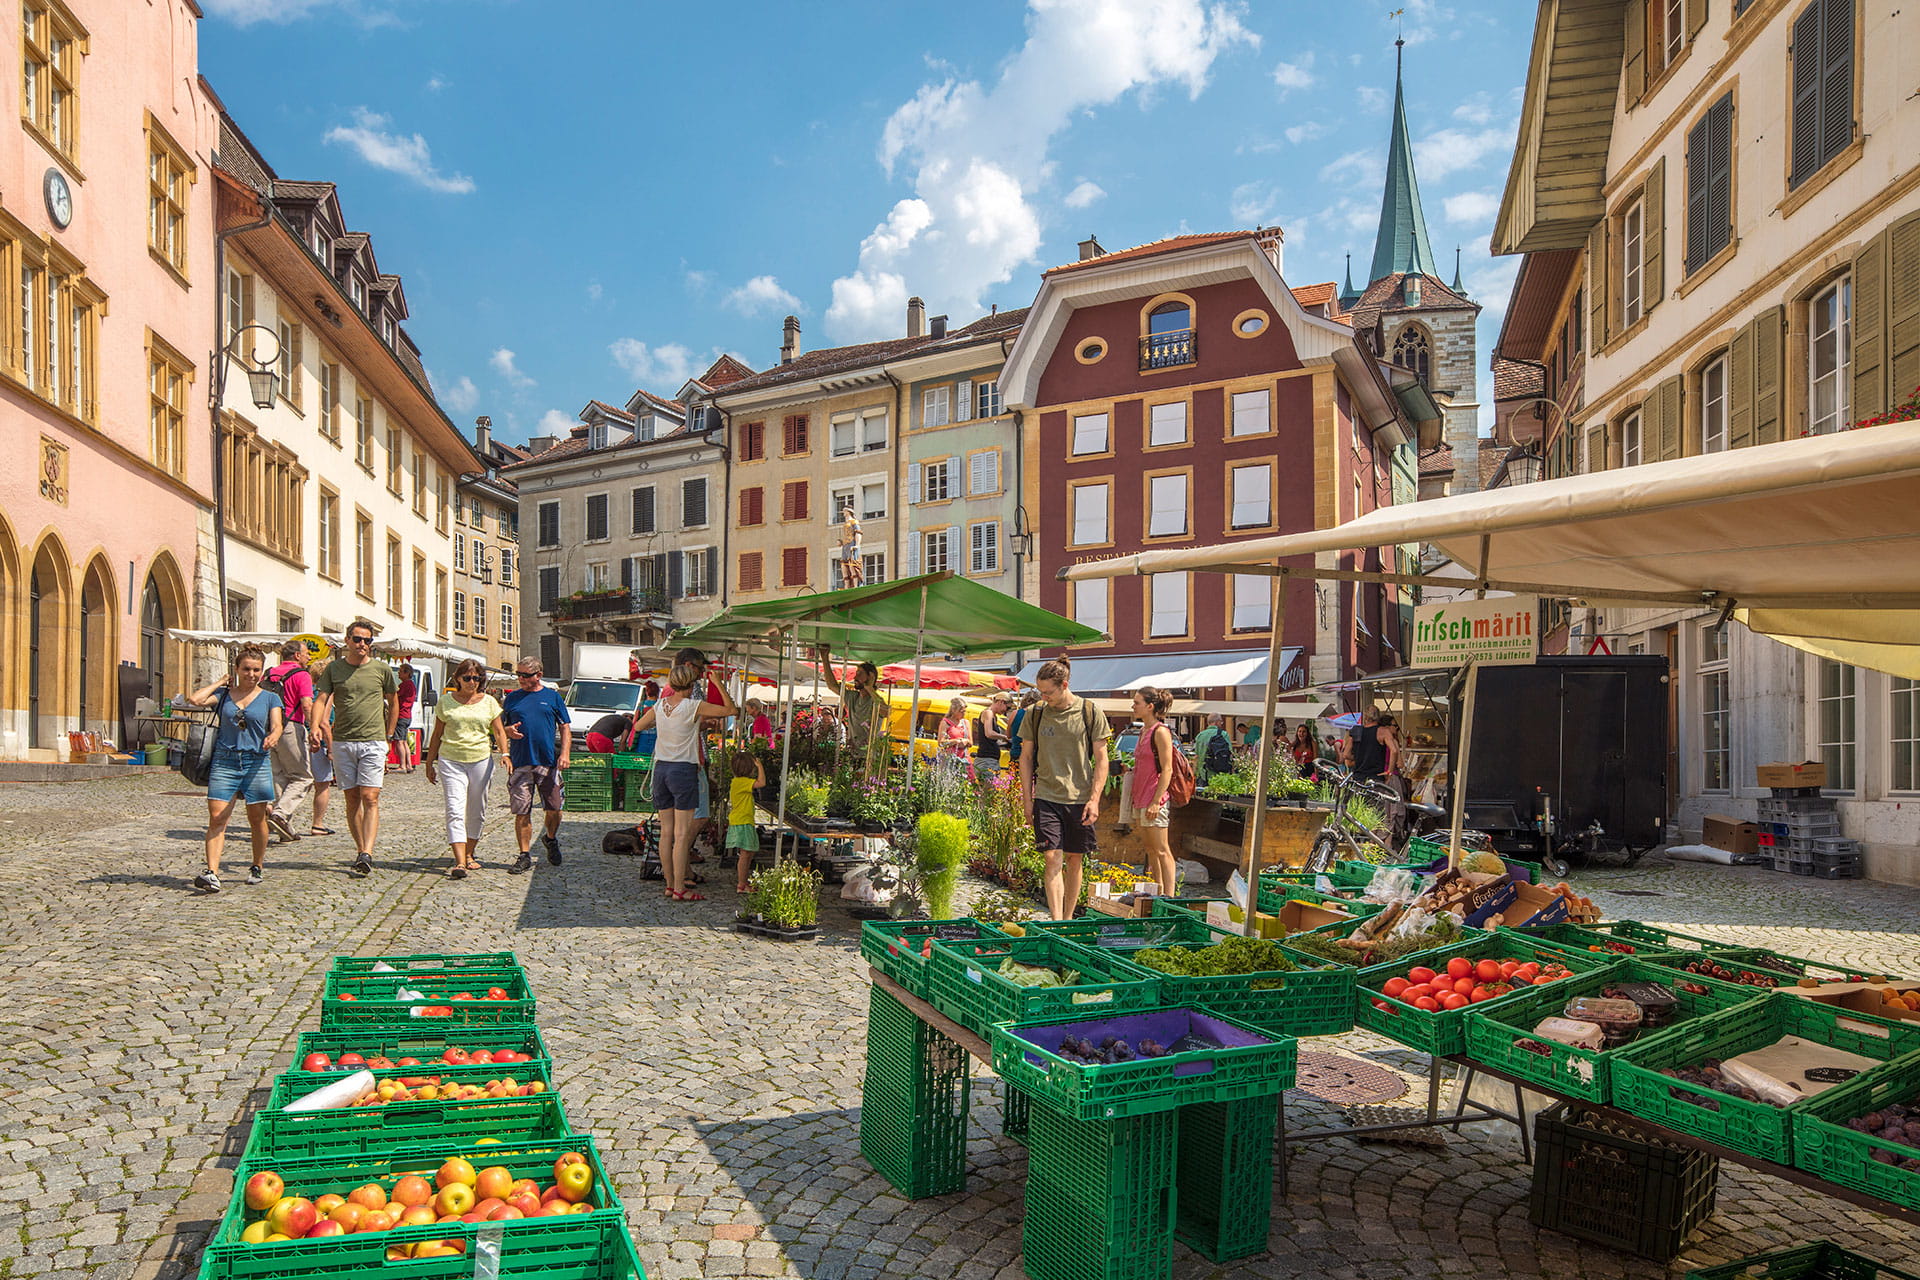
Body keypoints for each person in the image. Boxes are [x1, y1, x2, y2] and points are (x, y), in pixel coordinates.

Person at [633, 661, 738, 901]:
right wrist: (719, 685)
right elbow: (730, 710)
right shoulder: (693, 705)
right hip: (683, 770)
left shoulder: (660, 705)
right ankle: (680, 888)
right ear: (691, 685)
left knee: (666, 832)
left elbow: (638, 726)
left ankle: (670, 884)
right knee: (681, 835)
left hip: (661, 769)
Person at [186, 646, 285, 892]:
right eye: (246, 669)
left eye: (256, 670)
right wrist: (220, 682)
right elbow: (195, 700)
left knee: (257, 819)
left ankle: (257, 865)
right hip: (225, 761)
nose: (252, 674)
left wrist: (273, 736)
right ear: (237, 670)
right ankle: (212, 873)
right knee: (218, 818)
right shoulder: (223, 695)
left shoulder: (271, 697)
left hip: (257, 761)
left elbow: (277, 725)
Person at [1019, 658, 1111, 921]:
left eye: (1048, 692)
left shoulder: (1090, 711)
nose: (1043, 696)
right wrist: (1028, 799)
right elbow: (1025, 757)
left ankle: (1068, 918)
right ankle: (1057, 920)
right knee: (1051, 857)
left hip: (1079, 798)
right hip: (1046, 796)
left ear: (1064, 685)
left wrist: (1094, 800)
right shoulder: (1035, 713)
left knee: (1074, 859)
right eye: (1040, 691)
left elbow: (1102, 758)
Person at [311, 619, 400, 877]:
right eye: (358, 639)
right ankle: (361, 849)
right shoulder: (334, 669)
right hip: (343, 741)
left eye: (368, 641)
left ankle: (367, 852)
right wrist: (315, 725)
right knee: (351, 799)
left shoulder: (382, 670)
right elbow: (322, 699)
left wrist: (390, 735)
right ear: (348, 640)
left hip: (373, 740)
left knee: (370, 797)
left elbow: (393, 702)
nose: (363, 645)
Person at [424, 659, 511, 879]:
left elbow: (499, 732)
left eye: (476, 678)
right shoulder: (445, 702)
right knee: (454, 808)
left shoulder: (489, 702)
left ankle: (470, 852)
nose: (472, 682)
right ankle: (460, 861)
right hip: (451, 760)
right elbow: (437, 734)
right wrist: (429, 761)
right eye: (467, 678)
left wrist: (505, 754)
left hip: (480, 759)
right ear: (458, 679)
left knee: (477, 809)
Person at [501, 655, 570, 873]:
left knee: (554, 809)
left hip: (547, 761)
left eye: (525, 675)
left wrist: (565, 754)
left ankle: (550, 838)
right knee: (522, 811)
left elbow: (565, 727)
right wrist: (507, 731)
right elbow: (500, 728)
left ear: (538, 675)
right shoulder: (512, 699)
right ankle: (524, 855)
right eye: (518, 674)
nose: (520, 678)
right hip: (521, 761)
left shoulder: (552, 697)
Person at [263, 639, 316, 842]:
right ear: (297, 656)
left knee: (279, 776)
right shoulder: (302, 675)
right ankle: (281, 814)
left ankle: (285, 829)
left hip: (269, 728)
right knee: (303, 777)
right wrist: (313, 729)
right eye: (306, 653)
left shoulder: (269, 672)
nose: (309, 657)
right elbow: (306, 704)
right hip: (290, 727)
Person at [1130, 687, 1178, 896]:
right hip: (1141, 797)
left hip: (1153, 797)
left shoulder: (1160, 731)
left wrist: (1157, 801)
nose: (1133, 706)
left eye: (1137, 702)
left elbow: (1167, 768)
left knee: (1161, 849)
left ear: (1149, 706)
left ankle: (1170, 896)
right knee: (1150, 849)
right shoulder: (1143, 731)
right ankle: (1157, 892)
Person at [819, 648, 886, 774]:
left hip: (868, 757)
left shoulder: (875, 700)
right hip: (852, 754)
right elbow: (832, 686)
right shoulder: (852, 697)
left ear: (871, 676)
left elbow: (886, 712)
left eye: (860, 673)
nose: (855, 677)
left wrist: (870, 688)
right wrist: (824, 658)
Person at [305, 651, 336, 836]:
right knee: (322, 784)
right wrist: (331, 748)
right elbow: (324, 722)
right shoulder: (327, 695)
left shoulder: (308, 691)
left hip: (303, 739)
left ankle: (278, 810)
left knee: (298, 781)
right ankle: (318, 823)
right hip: (320, 742)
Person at [728, 750, 767, 893]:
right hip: (743, 821)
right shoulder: (743, 782)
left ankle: (743, 883)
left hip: (742, 820)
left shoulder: (736, 782)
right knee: (745, 854)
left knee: (748, 853)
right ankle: (742, 884)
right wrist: (760, 766)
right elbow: (762, 782)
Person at [391, 663, 419, 773]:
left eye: (400, 671)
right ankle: (409, 764)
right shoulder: (411, 684)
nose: (398, 674)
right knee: (404, 741)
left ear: (407, 673)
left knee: (399, 741)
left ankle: (402, 765)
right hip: (407, 715)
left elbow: (395, 696)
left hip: (401, 715)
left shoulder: (405, 684)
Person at [973, 693, 1010, 774]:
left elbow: (991, 739)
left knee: (990, 786)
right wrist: (1004, 737)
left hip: (991, 759)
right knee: (989, 786)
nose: (1006, 711)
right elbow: (989, 733)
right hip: (986, 760)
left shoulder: (994, 717)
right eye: (1008, 707)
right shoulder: (988, 713)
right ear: (1001, 702)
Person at [1193, 713, 1232, 785]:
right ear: (1217, 722)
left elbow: (1197, 756)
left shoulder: (1200, 736)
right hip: (1219, 775)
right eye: (1221, 722)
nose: (1221, 724)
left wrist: (1195, 773)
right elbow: (1230, 753)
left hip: (1203, 774)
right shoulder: (1223, 734)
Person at [837, 507, 863, 588]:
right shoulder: (845, 523)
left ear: (849, 511)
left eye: (844, 511)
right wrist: (840, 542)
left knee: (852, 566)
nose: (843, 512)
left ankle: (855, 585)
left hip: (852, 545)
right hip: (845, 546)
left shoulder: (854, 522)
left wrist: (857, 545)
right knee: (844, 567)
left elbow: (858, 533)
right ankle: (846, 586)